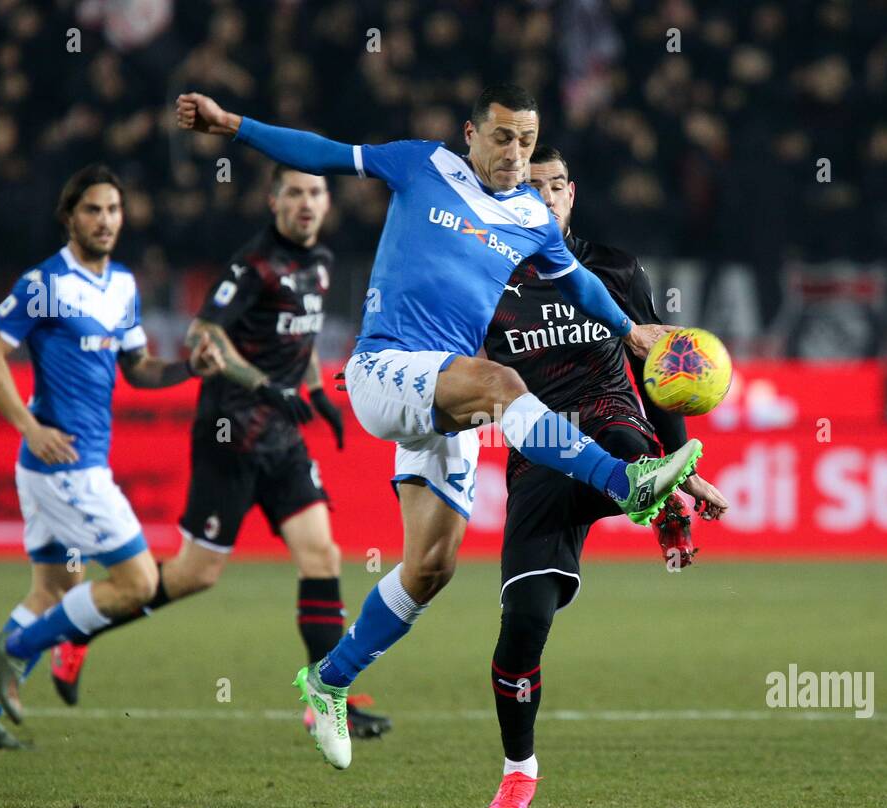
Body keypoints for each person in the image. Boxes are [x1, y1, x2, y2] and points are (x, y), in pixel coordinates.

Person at [177, 82, 703, 771]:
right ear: (471, 134)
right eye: (504, 137)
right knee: (502, 386)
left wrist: (630, 332)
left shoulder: (530, 218)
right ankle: (627, 483)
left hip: (442, 391)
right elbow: (324, 153)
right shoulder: (422, 164)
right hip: (385, 368)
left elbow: (577, 283)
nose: (516, 153)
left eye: (526, 140)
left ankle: (328, 681)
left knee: (430, 568)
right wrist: (235, 126)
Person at [46, 165, 391, 740]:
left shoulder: (322, 263)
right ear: (274, 199)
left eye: (315, 193)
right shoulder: (252, 264)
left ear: (327, 202)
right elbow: (202, 334)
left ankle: (328, 699)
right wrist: (262, 385)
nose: (306, 204)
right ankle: (80, 628)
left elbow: (298, 338)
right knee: (195, 574)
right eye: (295, 193)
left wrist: (312, 391)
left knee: (322, 557)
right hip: (229, 433)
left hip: (282, 437)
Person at [480, 147, 731, 808]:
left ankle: (658, 487)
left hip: (614, 424)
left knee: (624, 440)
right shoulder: (485, 274)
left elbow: (663, 373)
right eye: (532, 186)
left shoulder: (614, 269)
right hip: (540, 456)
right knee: (523, 627)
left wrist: (689, 467)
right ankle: (518, 771)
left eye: (557, 184)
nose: (547, 195)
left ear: (571, 193)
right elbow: (463, 373)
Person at [0, 164, 224, 749]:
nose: (105, 221)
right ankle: (18, 649)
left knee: (53, 590)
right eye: (92, 210)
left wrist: (186, 368)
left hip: (65, 467)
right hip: (64, 465)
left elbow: (137, 368)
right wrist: (27, 425)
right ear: (69, 217)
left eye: (113, 210)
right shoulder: (44, 283)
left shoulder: (123, 284)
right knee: (137, 581)